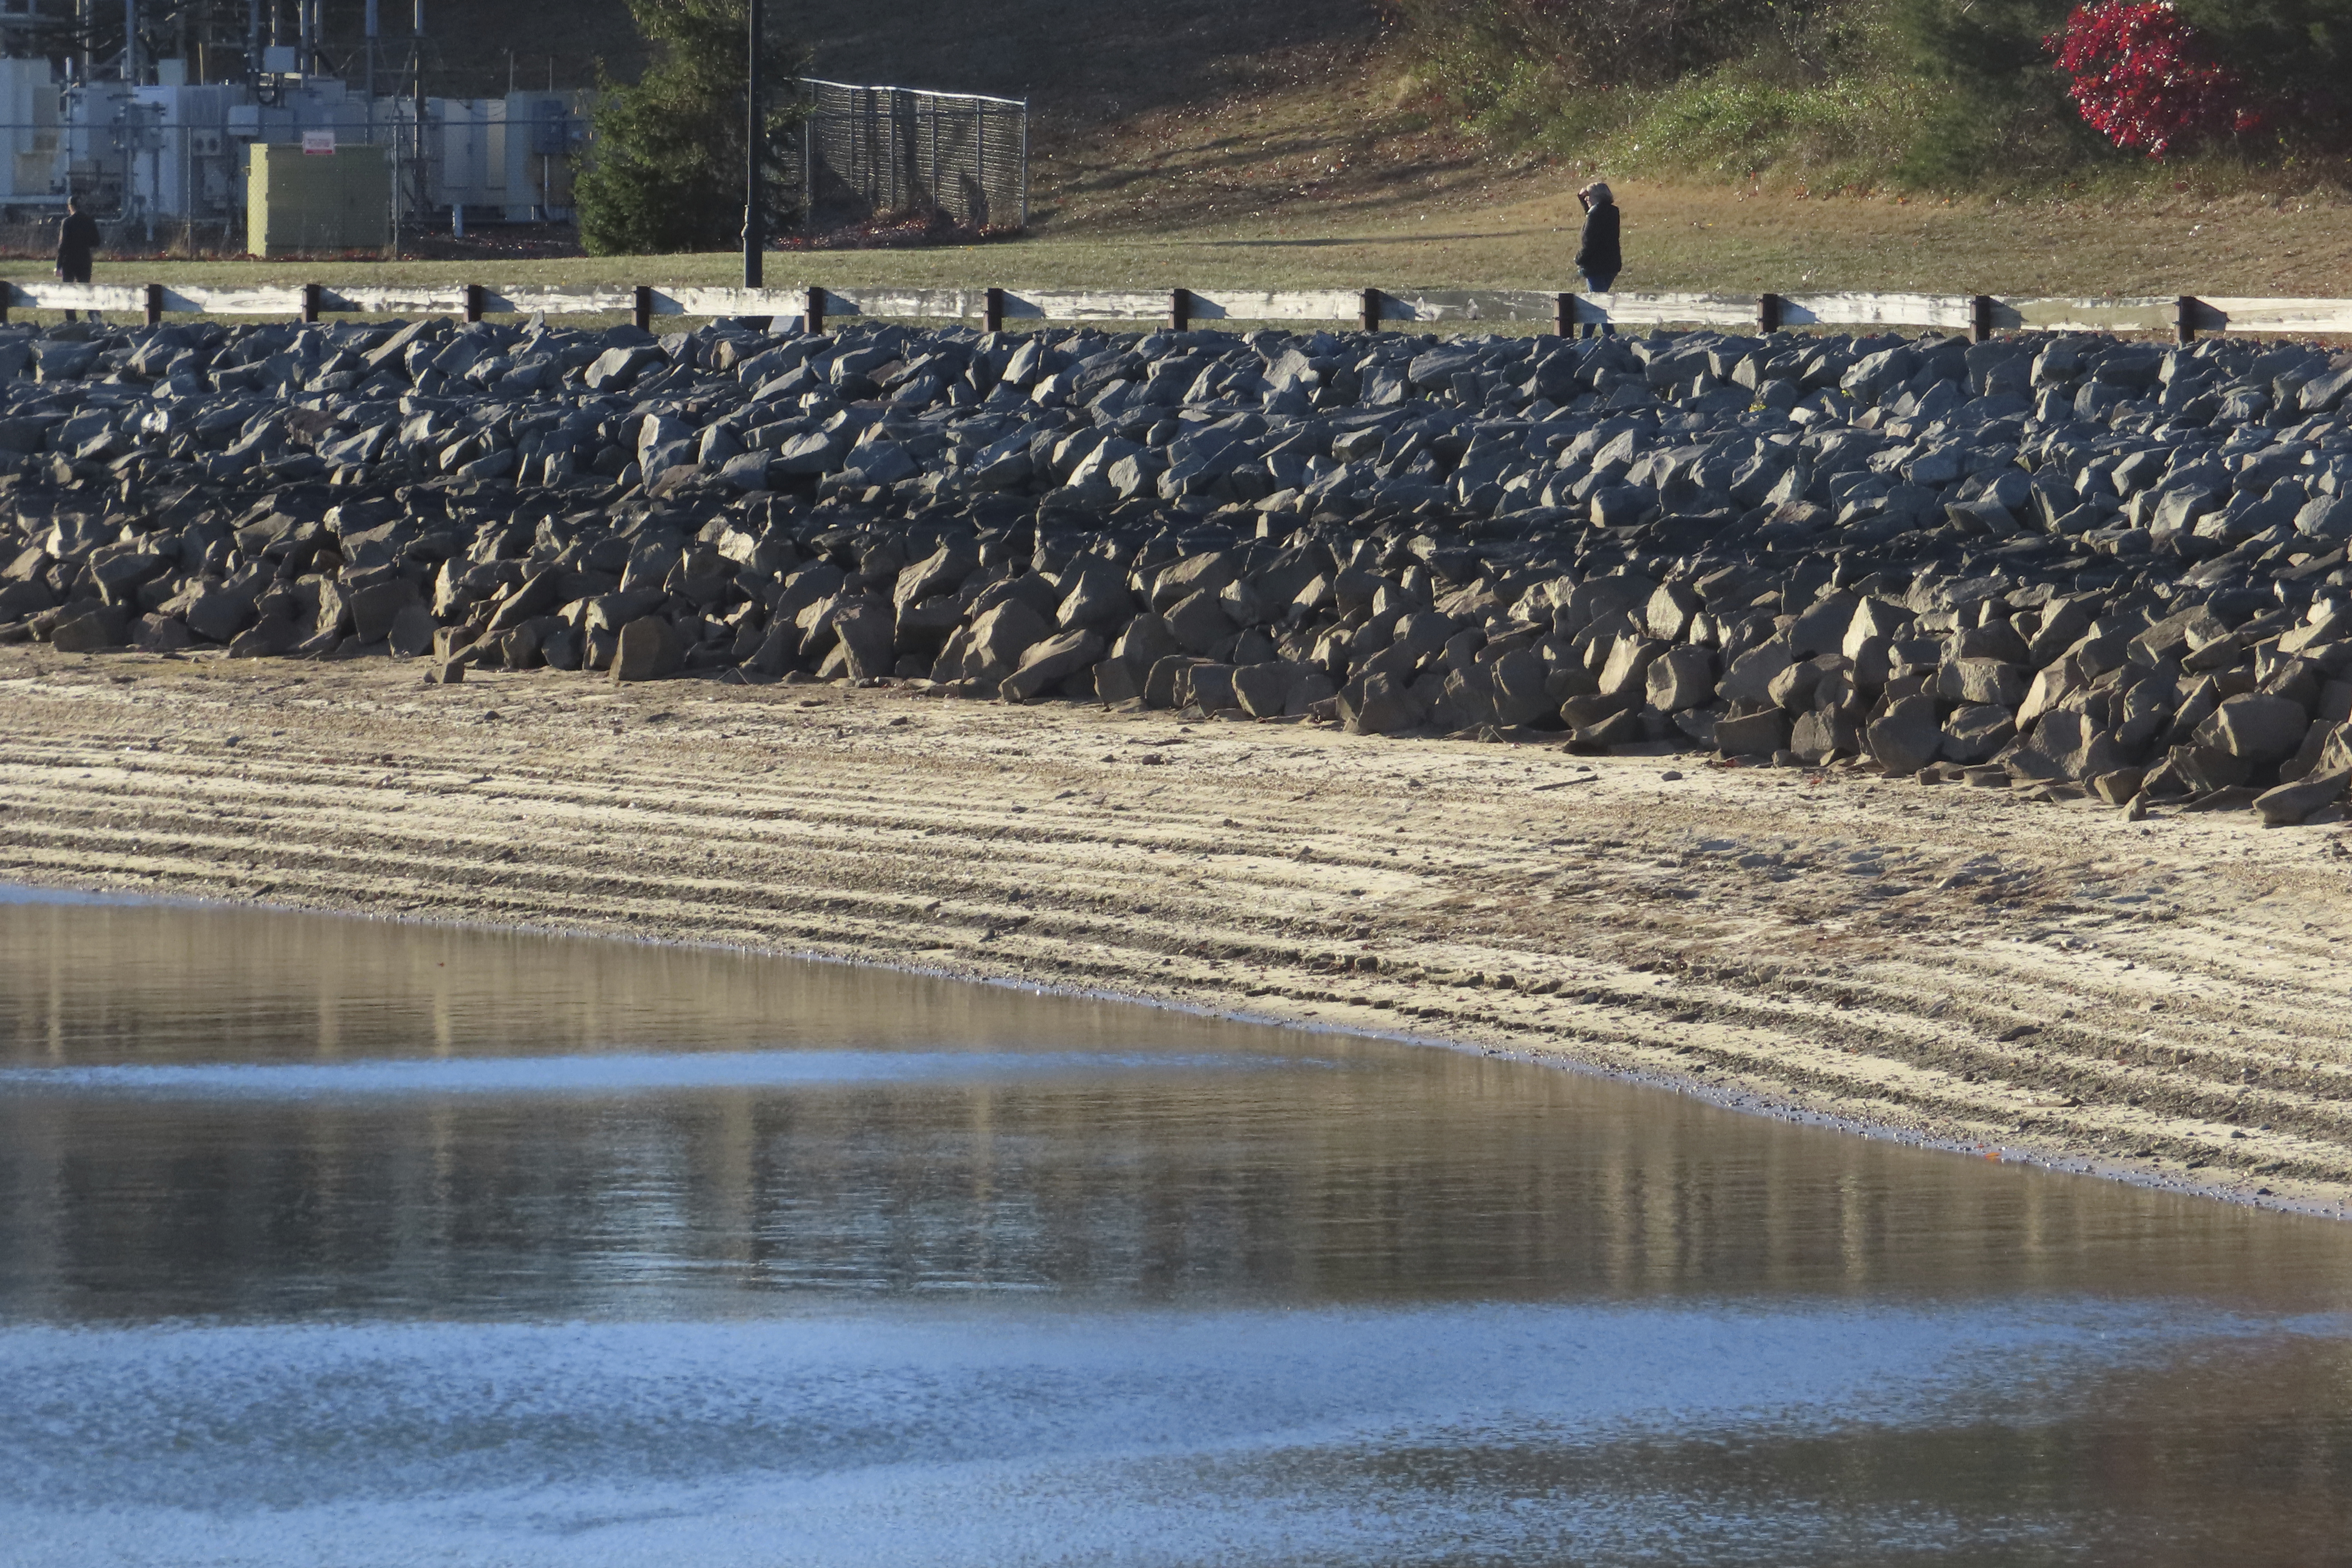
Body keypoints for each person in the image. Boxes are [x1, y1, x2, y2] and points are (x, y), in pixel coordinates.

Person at [1573, 181, 1620, 337]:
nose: (1587, 199)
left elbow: (1590, 242)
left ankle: (1610, 339)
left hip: (1595, 267)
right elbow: (1592, 215)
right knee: (1598, 302)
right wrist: (1583, 200)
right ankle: (1586, 338)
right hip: (1611, 266)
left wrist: (1578, 259)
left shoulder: (1595, 216)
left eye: (1589, 196)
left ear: (1597, 197)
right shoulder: (1613, 212)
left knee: (1598, 306)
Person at [55, 195, 102, 324]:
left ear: (70, 207)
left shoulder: (67, 222)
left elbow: (62, 246)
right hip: (85, 260)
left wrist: (58, 265)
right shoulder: (89, 221)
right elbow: (97, 242)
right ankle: (94, 315)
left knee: (68, 291)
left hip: (69, 261)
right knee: (86, 289)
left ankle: (72, 321)